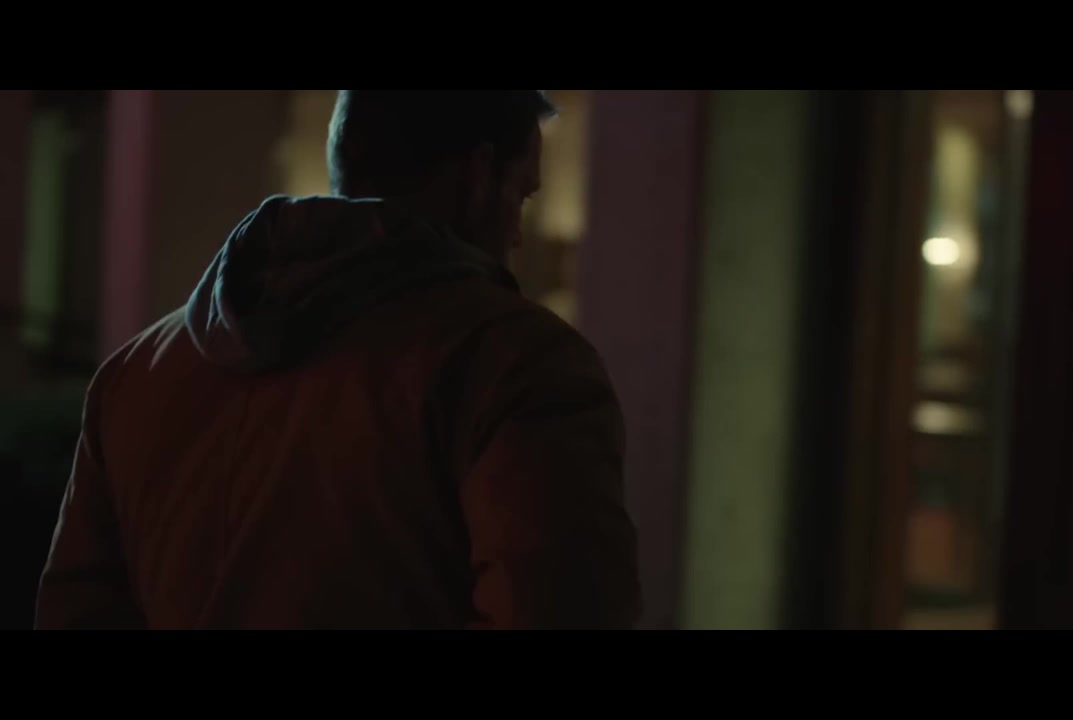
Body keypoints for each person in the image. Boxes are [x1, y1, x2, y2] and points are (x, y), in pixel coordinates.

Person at [34, 90, 641, 630]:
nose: (517, 233)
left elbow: (77, 612)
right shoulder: (520, 364)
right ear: (480, 176)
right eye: (523, 195)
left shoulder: (138, 374)